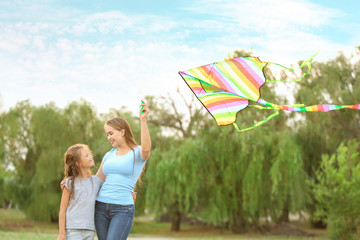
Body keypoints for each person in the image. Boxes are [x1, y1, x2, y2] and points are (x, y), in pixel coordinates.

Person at [94, 100, 151, 240]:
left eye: (111, 133)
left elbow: (147, 148)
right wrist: (72, 181)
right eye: (107, 134)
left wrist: (143, 120)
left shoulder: (137, 153)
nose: (109, 137)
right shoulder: (109, 154)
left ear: (122, 132)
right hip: (100, 207)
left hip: (122, 209)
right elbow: (97, 180)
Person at [57, 144, 104, 240]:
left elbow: (113, 185)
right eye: (86, 155)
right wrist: (62, 234)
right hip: (73, 230)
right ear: (78, 163)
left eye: (90, 154)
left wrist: (129, 193)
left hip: (89, 230)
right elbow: (62, 210)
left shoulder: (96, 181)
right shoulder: (69, 183)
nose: (91, 156)